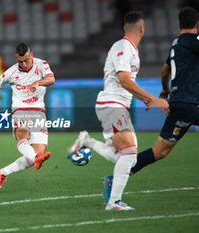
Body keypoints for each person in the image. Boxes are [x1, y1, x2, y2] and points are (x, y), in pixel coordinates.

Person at [68, 11, 169, 211]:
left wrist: (142, 99)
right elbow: (123, 80)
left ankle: (86, 141)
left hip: (114, 106)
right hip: (112, 105)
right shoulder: (124, 47)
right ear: (142, 29)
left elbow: (126, 82)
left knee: (122, 157)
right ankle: (114, 202)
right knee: (130, 155)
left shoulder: (127, 48)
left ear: (125, 27)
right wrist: (152, 99)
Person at [130, 7, 199, 175]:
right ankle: (122, 173)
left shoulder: (176, 44)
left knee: (160, 152)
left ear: (179, 24)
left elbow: (164, 70)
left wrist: (165, 88)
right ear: (197, 24)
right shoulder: (194, 40)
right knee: (160, 151)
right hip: (187, 104)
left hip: (185, 103)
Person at [0, 42, 54, 188]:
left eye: (26, 60)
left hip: (39, 113)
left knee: (36, 157)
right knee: (23, 134)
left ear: (31, 55)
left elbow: (51, 79)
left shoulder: (41, 65)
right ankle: (35, 158)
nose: (24, 64)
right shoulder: (11, 72)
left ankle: (1, 173)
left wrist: (38, 82)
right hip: (20, 110)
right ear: (15, 58)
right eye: (20, 61)